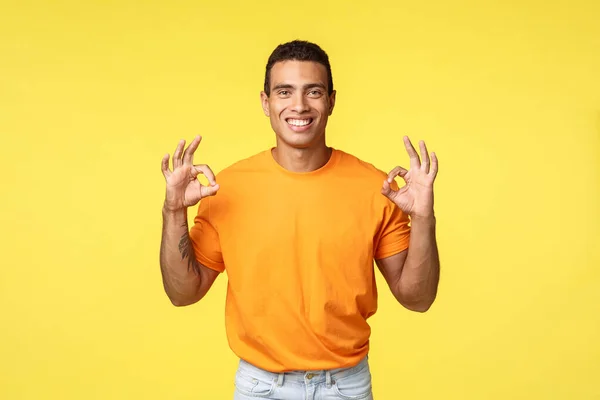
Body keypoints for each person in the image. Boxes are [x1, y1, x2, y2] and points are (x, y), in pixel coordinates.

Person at [159, 40, 440, 400]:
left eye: (314, 91)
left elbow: (418, 298)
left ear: (331, 101)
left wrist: (423, 217)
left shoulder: (376, 188)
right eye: (284, 92)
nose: (299, 105)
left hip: (345, 387)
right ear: (266, 103)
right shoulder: (225, 189)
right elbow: (183, 293)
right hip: (260, 387)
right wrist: (173, 211)